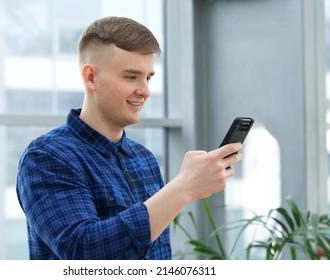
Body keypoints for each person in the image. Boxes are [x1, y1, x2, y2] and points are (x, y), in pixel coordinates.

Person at [16, 16, 242, 260]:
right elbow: (83, 252)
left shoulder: (144, 158)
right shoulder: (46, 157)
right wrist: (183, 187)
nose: (145, 90)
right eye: (131, 76)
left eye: (149, 77)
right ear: (91, 77)